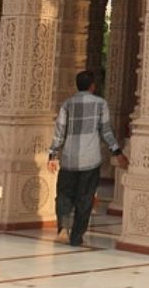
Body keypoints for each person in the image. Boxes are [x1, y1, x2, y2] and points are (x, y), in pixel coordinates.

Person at [47, 71, 127, 247]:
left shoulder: (67, 104)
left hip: (69, 158)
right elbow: (106, 131)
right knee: (85, 199)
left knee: (64, 195)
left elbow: (60, 131)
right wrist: (117, 152)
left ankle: (63, 228)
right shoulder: (100, 104)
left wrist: (53, 154)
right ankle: (76, 237)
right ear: (92, 86)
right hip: (90, 159)